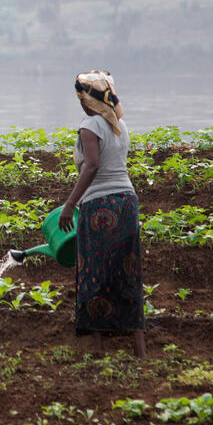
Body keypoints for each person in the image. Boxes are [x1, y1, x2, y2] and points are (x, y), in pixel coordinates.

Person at [58, 70, 146, 356]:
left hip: (99, 207)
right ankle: (139, 348)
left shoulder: (90, 125)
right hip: (127, 202)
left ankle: (98, 347)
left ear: (87, 100)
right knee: (127, 272)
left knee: (93, 273)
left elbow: (92, 166)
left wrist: (70, 205)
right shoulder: (120, 125)